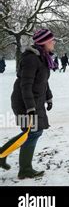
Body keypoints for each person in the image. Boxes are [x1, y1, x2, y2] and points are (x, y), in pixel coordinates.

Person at [6, 29, 56, 179]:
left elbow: (43, 81)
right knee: (31, 132)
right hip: (24, 102)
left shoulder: (42, 57)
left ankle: (7, 157)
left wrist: (49, 97)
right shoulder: (31, 59)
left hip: (35, 100)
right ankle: (22, 168)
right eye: (51, 40)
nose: (53, 43)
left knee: (34, 132)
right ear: (43, 42)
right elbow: (25, 86)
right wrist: (30, 109)